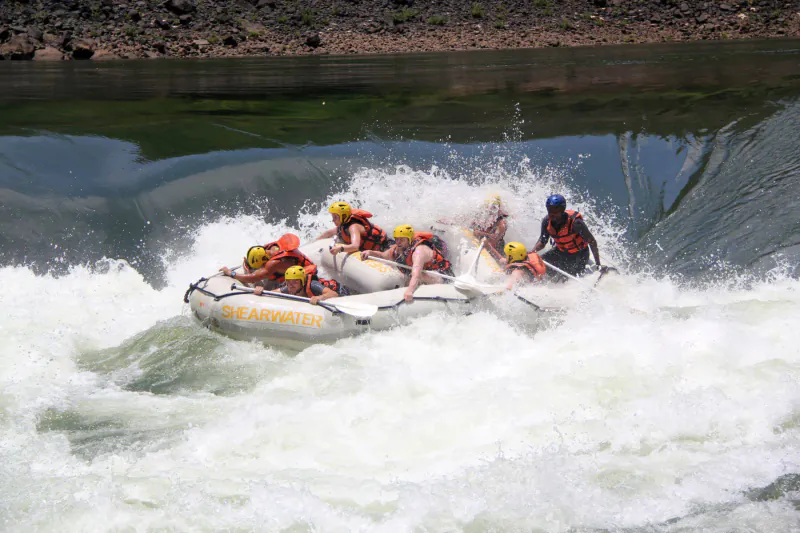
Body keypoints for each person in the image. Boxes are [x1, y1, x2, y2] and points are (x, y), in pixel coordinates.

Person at [362, 224, 452, 302]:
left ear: (409, 239)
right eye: (396, 239)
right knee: (404, 273)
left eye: (402, 239)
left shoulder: (419, 252)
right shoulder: (397, 249)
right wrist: (370, 252)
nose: (398, 242)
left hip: (443, 275)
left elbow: (417, 275)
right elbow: (383, 255)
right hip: (425, 274)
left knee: (414, 276)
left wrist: (409, 291)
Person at [532, 194, 601, 279]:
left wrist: (598, 265)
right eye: (550, 210)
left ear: (562, 210)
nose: (552, 214)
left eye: (555, 211)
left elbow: (592, 242)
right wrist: (532, 252)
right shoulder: (547, 221)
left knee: (564, 277)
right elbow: (542, 241)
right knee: (538, 265)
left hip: (580, 254)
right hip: (561, 252)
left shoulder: (576, 223)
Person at [219, 234, 317, 286]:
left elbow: (253, 278)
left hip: (307, 276)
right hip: (303, 267)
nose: (261, 268)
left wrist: (230, 273)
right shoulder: (271, 247)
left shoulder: (273, 264)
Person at [317, 201, 390, 255]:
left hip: (385, 247)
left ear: (344, 216)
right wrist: (313, 243)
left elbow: (355, 246)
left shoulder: (353, 227)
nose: (333, 220)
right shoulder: (343, 225)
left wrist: (340, 249)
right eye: (332, 217)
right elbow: (327, 234)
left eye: (335, 217)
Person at [254, 265, 346, 305]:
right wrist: (261, 291)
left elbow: (334, 294)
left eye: (295, 281)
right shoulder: (289, 287)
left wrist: (319, 298)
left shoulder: (313, 285)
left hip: (340, 291)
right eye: (288, 281)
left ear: (302, 281)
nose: (291, 285)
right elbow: (270, 293)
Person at [471, 194, 509, 261]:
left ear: (498, 208)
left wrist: (480, 233)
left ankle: (501, 259)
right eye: (488, 207)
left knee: (487, 242)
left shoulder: (501, 224)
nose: (489, 210)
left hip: (495, 248)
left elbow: (493, 241)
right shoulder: (483, 214)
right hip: (485, 240)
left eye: (493, 207)